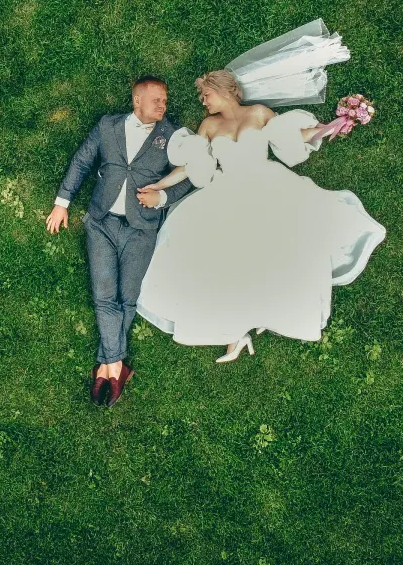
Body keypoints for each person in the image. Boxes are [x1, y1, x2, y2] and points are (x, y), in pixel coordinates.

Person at [134, 70, 386, 362]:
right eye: (202, 97)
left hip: (268, 183)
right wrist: (160, 184)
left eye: (206, 94)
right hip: (227, 190)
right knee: (231, 259)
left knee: (277, 249)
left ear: (224, 90)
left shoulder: (258, 112)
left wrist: (330, 126)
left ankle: (269, 313)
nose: (203, 101)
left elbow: (291, 136)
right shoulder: (208, 125)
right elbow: (191, 166)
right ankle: (235, 333)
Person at [45, 76, 196, 407]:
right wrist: (62, 202)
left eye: (166, 101)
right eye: (156, 99)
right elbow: (82, 161)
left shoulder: (171, 136)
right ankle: (115, 366)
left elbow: (189, 177)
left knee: (127, 299)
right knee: (104, 297)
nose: (163, 105)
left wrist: (163, 196)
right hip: (101, 223)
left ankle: (107, 366)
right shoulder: (108, 125)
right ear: (136, 100)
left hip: (142, 228)